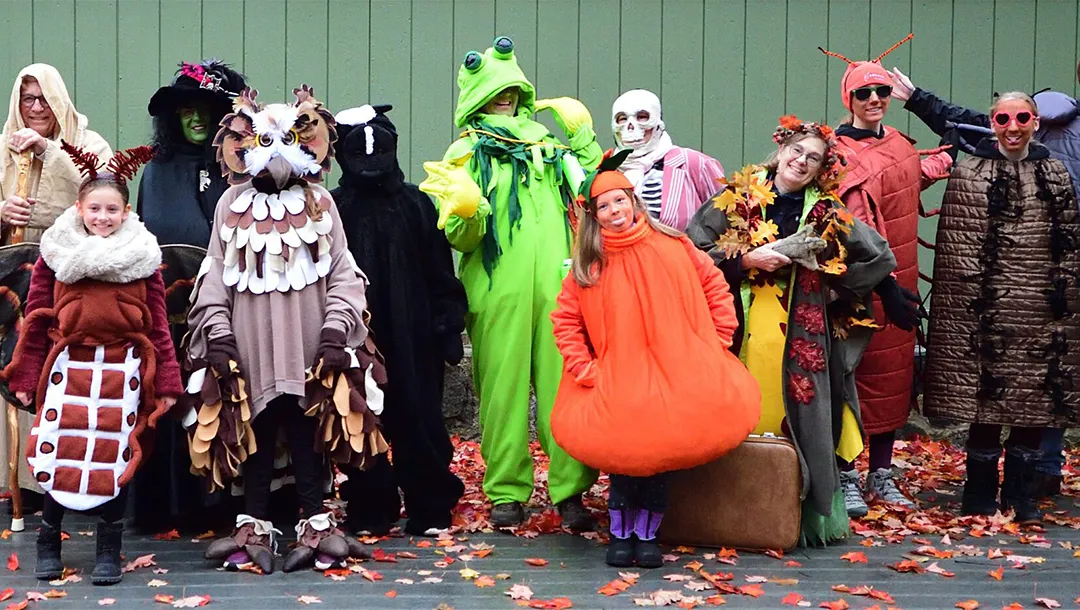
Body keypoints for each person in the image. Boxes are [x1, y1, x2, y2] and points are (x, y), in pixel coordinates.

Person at [687, 116, 913, 546]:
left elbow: (872, 251)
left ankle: (790, 517)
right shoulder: (736, 198)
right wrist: (748, 261)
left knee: (801, 418)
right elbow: (691, 252)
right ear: (781, 151)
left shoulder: (827, 209)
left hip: (801, 334)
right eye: (797, 151)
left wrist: (884, 287)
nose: (802, 161)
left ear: (821, 167)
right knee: (738, 415)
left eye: (814, 157)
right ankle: (724, 511)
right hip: (739, 329)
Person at [187, 86, 377, 574]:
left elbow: (342, 272)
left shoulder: (320, 203)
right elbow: (214, 271)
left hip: (310, 342)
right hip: (249, 345)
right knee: (255, 430)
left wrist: (336, 332)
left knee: (307, 426)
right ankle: (252, 525)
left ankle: (315, 521)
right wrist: (218, 332)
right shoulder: (231, 203)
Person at [418, 36, 600, 529]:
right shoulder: (465, 151)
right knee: (501, 392)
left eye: (510, 87)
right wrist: (465, 211)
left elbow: (601, 193)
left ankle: (570, 492)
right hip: (498, 290)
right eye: (492, 88)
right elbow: (463, 237)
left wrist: (583, 140)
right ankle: (506, 492)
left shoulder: (549, 147)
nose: (503, 95)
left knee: (566, 390)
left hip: (561, 293)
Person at [549, 151, 760, 568]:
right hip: (618, 379)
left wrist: (717, 343)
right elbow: (565, 320)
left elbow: (715, 287)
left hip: (676, 374)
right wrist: (583, 367)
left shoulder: (675, 245)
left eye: (619, 201)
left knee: (660, 459)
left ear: (634, 200)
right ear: (593, 216)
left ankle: (648, 536)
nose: (614, 212)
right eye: (603, 207)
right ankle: (620, 533)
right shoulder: (589, 266)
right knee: (624, 460)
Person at [889, 65, 1080, 500]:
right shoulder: (971, 170)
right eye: (1002, 119)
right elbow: (959, 244)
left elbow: (1064, 246)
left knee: (1033, 405)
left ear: (1035, 123)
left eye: (1022, 119)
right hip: (986, 311)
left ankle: (1020, 497)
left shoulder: (1053, 173)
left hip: (1037, 313)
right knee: (984, 406)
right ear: (991, 124)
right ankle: (977, 496)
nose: (1012, 127)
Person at [2, 143, 180, 585]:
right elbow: (37, 318)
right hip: (68, 371)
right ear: (80, 207)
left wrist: (168, 383)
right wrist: (26, 375)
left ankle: (108, 547)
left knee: (111, 458)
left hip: (123, 375)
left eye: (112, 210)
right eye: (95, 208)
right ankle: (48, 540)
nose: (102, 217)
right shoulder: (54, 255)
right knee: (60, 452)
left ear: (125, 212)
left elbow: (158, 325)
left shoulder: (144, 258)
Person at [819, 36, 952, 517]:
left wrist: (969, 149)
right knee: (853, 375)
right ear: (848, 99)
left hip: (904, 281)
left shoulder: (899, 144)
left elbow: (921, 169)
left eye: (881, 91)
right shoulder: (831, 153)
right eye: (864, 93)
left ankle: (882, 471)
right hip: (855, 284)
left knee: (895, 377)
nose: (874, 99)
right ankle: (847, 472)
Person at [330, 104, 468, 537]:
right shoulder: (333, 209)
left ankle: (429, 501)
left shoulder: (415, 204)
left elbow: (439, 269)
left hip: (414, 335)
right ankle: (371, 502)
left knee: (420, 418)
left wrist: (447, 322)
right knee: (361, 419)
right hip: (355, 335)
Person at [127, 59, 247, 535]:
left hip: (230, 312)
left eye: (208, 109)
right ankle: (163, 505)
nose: (197, 119)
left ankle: (221, 504)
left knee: (222, 401)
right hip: (167, 315)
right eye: (186, 110)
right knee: (168, 404)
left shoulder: (241, 171)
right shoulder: (155, 174)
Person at [0, 63, 113, 518]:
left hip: (67, 276)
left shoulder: (88, 143)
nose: (35, 108)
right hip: (10, 277)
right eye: (27, 99)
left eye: (44, 98)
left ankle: (63, 479)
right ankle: (15, 482)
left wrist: (50, 151)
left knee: (55, 371)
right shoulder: (3, 148)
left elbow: (103, 191)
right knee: (11, 370)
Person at [609, 89, 725, 231]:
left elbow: (726, 218)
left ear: (658, 123)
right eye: (622, 119)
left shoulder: (694, 164)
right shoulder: (608, 169)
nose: (631, 126)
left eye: (642, 117)